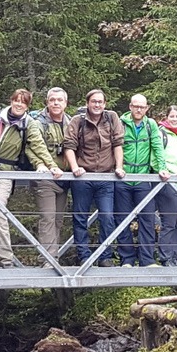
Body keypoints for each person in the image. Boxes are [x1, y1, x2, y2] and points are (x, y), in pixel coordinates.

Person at [0, 89, 60, 268]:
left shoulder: (28, 123)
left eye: (23, 102)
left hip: (6, 172)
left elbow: (38, 145)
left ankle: (5, 259)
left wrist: (50, 164)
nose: (19, 104)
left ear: (27, 106)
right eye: (16, 100)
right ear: (11, 100)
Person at [62, 89, 125, 267]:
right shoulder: (78, 121)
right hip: (83, 177)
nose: (97, 105)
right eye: (94, 102)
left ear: (104, 104)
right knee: (80, 216)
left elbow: (118, 144)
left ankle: (105, 255)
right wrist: (74, 168)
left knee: (107, 216)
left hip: (106, 176)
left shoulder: (112, 118)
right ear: (88, 103)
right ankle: (84, 255)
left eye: (100, 102)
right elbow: (69, 145)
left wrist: (119, 167)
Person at [116, 94, 169, 268]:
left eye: (142, 107)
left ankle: (147, 260)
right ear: (130, 106)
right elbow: (115, 146)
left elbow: (157, 146)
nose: (139, 109)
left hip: (143, 178)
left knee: (147, 219)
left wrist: (162, 167)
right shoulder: (121, 123)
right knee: (122, 220)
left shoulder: (150, 124)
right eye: (135, 106)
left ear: (146, 108)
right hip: (123, 178)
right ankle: (127, 259)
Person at [33, 87, 72, 266]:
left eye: (59, 100)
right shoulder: (38, 122)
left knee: (58, 220)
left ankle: (52, 257)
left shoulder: (71, 122)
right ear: (47, 102)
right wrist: (45, 165)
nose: (55, 103)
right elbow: (32, 147)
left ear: (65, 103)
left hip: (65, 178)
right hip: (46, 177)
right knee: (48, 218)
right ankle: (48, 260)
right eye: (52, 100)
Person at [156, 105, 177, 266]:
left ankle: (176, 257)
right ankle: (165, 257)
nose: (175, 119)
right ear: (166, 117)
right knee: (169, 221)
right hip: (168, 181)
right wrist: (174, 170)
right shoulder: (161, 133)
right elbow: (158, 157)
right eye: (172, 116)